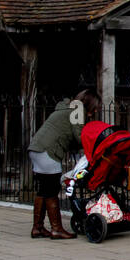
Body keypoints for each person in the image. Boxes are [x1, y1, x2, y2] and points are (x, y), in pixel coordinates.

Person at [27, 89, 100, 239]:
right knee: (52, 189)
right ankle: (57, 229)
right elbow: (79, 137)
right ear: (89, 104)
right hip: (49, 151)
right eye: (95, 107)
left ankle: (38, 228)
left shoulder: (68, 107)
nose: (96, 110)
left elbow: (69, 134)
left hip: (36, 148)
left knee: (44, 189)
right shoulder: (78, 109)